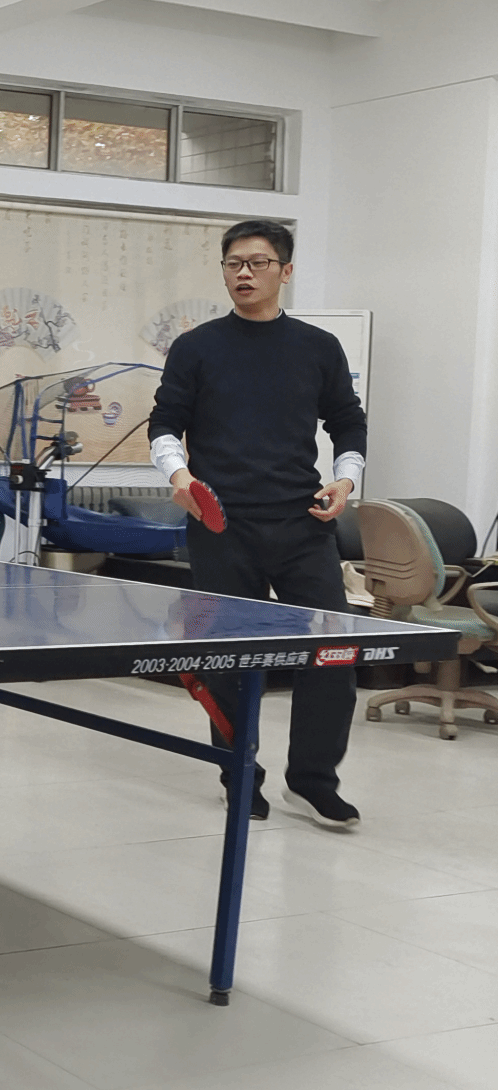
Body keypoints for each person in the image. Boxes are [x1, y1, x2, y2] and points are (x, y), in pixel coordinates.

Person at [148, 218, 365, 831]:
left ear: (285, 271)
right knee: (229, 660)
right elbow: (164, 423)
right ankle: (239, 775)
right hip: (222, 527)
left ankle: (314, 782)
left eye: (258, 262)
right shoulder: (196, 347)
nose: (244, 273)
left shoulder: (318, 347)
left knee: (332, 653)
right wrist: (179, 477)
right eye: (233, 263)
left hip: (303, 522)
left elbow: (348, 421)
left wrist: (345, 479)